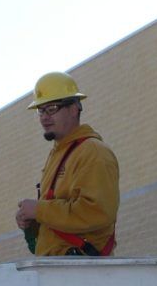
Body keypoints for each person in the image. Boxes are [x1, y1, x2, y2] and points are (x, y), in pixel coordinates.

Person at [15, 71, 119, 256]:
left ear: (74, 108)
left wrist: (38, 210)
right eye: (41, 110)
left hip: (80, 273)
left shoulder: (92, 152)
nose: (44, 117)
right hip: (60, 271)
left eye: (52, 108)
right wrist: (32, 223)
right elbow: (59, 220)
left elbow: (97, 212)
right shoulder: (60, 154)